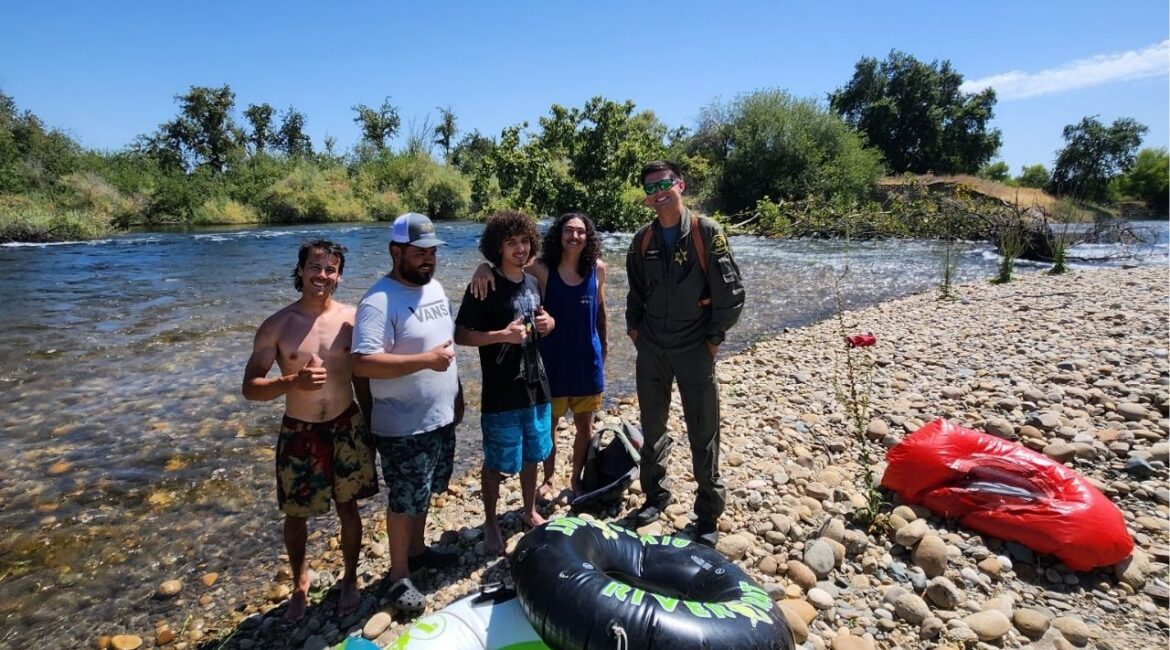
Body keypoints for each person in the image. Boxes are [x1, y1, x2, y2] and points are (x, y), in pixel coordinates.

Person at [242, 239, 379, 622]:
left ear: (339, 275)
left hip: (346, 424)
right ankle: (300, 580)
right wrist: (292, 382)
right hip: (299, 431)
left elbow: (365, 379)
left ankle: (350, 578)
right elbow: (250, 388)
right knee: (295, 514)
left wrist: (371, 427)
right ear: (300, 270)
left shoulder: (352, 320)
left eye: (330, 269)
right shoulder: (277, 326)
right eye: (315, 267)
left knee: (348, 506)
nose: (322, 275)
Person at [626, 160, 745, 547]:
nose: (658, 192)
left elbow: (731, 294)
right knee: (653, 427)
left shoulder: (706, 232)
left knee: (703, 430)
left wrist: (713, 339)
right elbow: (635, 293)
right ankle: (655, 496)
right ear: (646, 197)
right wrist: (635, 331)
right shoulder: (641, 241)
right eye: (650, 188)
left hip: (695, 348)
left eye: (664, 184)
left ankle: (708, 511)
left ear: (680, 184)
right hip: (653, 351)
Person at [351, 212, 463, 616]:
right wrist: (424, 361)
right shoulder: (378, 300)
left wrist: (457, 393)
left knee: (425, 490)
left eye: (432, 252)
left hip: (439, 414)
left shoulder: (434, 288)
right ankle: (398, 575)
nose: (428, 259)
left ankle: (417, 552)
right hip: (401, 424)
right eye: (419, 253)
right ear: (395, 251)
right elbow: (362, 363)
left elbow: (445, 347)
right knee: (403, 498)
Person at [470, 212, 608, 498]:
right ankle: (549, 478)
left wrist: (604, 350)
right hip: (552, 363)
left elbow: (601, 314)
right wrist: (483, 267)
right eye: (568, 230)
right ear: (558, 235)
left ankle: (575, 478)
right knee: (550, 425)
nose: (574, 236)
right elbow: (510, 264)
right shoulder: (542, 269)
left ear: (589, 237)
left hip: (587, 362)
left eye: (581, 232)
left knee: (585, 425)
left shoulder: (599, 269)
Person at [454, 210, 555, 556]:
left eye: (525, 241)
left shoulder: (533, 282)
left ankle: (528, 510)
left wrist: (549, 324)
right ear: (496, 247)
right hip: (501, 393)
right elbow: (461, 335)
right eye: (511, 243)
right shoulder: (484, 284)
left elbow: (541, 322)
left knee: (533, 454)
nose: (520, 249)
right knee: (496, 462)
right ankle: (491, 523)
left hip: (537, 387)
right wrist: (501, 336)